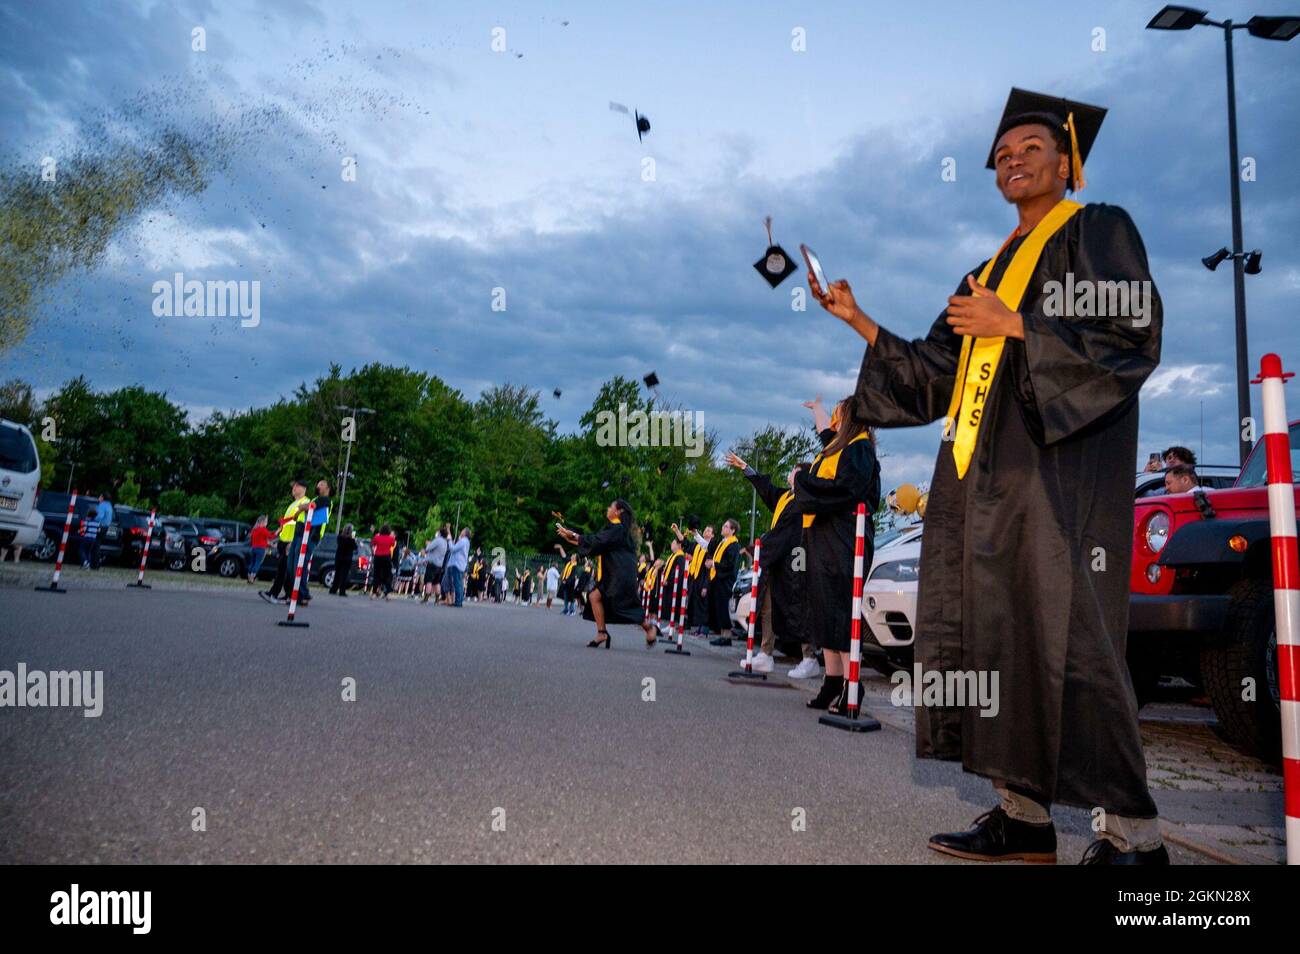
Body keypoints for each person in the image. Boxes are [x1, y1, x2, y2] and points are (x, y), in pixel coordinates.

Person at [809, 88, 1165, 864]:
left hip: (1055, 480)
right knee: (990, 643)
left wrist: (1019, 327)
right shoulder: (985, 270)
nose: (1012, 160)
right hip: (976, 487)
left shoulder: (1097, 231)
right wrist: (860, 320)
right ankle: (1022, 817)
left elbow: (1130, 332)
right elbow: (934, 374)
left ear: (1066, 160)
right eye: (1002, 155)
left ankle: (1135, 839)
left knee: (1072, 644)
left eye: (1029, 148)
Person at [726, 451, 812, 675]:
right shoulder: (786, 497)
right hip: (778, 559)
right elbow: (767, 490)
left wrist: (761, 547)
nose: (791, 472)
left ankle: (809, 656)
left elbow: (786, 531)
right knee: (768, 606)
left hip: (796, 560)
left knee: (799, 605)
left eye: (794, 469)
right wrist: (746, 468)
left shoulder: (804, 500)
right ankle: (765, 653)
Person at [557, 500, 657, 648]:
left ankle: (649, 628)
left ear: (618, 511)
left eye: (611, 506)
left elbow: (598, 541)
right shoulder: (616, 529)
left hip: (620, 576)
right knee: (594, 596)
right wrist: (571, 538)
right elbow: (597, 544)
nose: (608, 508)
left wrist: (573, 535)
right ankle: (602, 633)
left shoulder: (618, 528)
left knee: (624, 604)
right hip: (614, 574)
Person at [262, 480, 310, 604]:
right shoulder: (294, 504)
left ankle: (275, 593)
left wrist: (293, 541)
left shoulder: (304, 502)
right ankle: (288, 595)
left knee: (284, 569)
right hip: (284, 540)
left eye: (296, 486)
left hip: (291, 541)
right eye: (293, 486)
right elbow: (288, 522)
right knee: (285, 569)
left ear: (303, 488)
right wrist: (279, 533)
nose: (293, 488)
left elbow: (300, 524)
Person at [704, 519, 741, 644]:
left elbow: (729, 564)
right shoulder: (722, 542)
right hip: (718, 579)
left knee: (724, 608)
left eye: (726, 526)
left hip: (726, 580)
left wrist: (713, 564)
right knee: (719, 608)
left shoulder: (733, 545)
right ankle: (722, 635)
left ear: (732, 530)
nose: (723, 528)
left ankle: (727, 637)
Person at [298, 479, 331, 605]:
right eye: (317, 484)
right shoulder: (316, 498)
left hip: (312, 536)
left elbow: (310, 507)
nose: (318, 486)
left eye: (321, 484)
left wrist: (301, 508)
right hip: (306, 534)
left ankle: (303, 593)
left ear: (328, 488)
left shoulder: (324, 500)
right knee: (299, 564)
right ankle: (298, 592)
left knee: (302, 563)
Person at [422, 525, 450, 603]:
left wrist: (428, 544)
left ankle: (426, 598)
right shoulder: (445, 542)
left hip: (432, 564)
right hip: (439, 565)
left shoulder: (437, 540)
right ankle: (437, 599)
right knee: (436, 582)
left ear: (440, 533)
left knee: (429, 581)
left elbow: (428, 548)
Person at [445, 527, 471, 606]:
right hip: (460, 564)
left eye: (462, 531)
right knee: (458, 583)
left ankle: (458, 602)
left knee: (457, 584)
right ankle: (458, 601)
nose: (461, 531)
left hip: (457, 564)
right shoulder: (466, 541)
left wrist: (449, 540)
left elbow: (453, 549)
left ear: (465, 533)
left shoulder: (463, 541)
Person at [370, 524, 397, 600]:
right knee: (387, 575)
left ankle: (374, 593)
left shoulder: (377, 537)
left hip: (377, 557)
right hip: (386, 557)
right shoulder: (390, 538)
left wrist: (373, 551)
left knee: (376, 575)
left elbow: (372, 544)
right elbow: (393, 544)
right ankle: (388, 594)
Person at [331, 524, 358, 596]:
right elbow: (355, 547)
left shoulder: (340, 537)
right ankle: (342, 591)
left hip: (339, 557)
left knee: (337, 573)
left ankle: (333, 589)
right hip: (347, 558)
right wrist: (353, 538)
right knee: (344, 575)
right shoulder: (351, 539)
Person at [247, 514, 272, 583]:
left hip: (253, 548)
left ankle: (249, 577)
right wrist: (278, 531)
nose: (267, 523)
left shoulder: (254, 529)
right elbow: (270, 536)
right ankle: (252, 578)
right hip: (260, 549)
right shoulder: (263, 529)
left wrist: (267, 543)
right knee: (257, 563)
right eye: (266, 521)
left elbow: (255, 539)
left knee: (252, 563)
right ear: (263, 522)